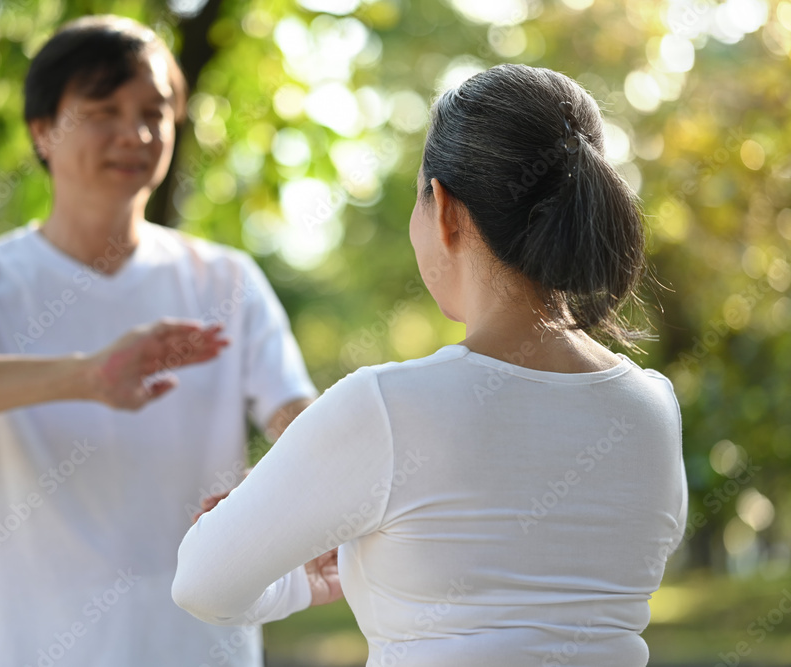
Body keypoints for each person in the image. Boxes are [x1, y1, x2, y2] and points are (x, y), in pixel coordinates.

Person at [172, 64, 688, 666]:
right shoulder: (653, 407)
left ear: (443, 209)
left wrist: (299, 582)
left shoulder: (387, 407)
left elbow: (202, 584)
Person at [0, 15, 317, 667]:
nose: (137, 132)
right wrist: (85, 375)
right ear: (43, 130)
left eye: (156, 112)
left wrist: (301, 471)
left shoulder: (227, 279)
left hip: (202, 649)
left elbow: (296, 416)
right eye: (103, 110)